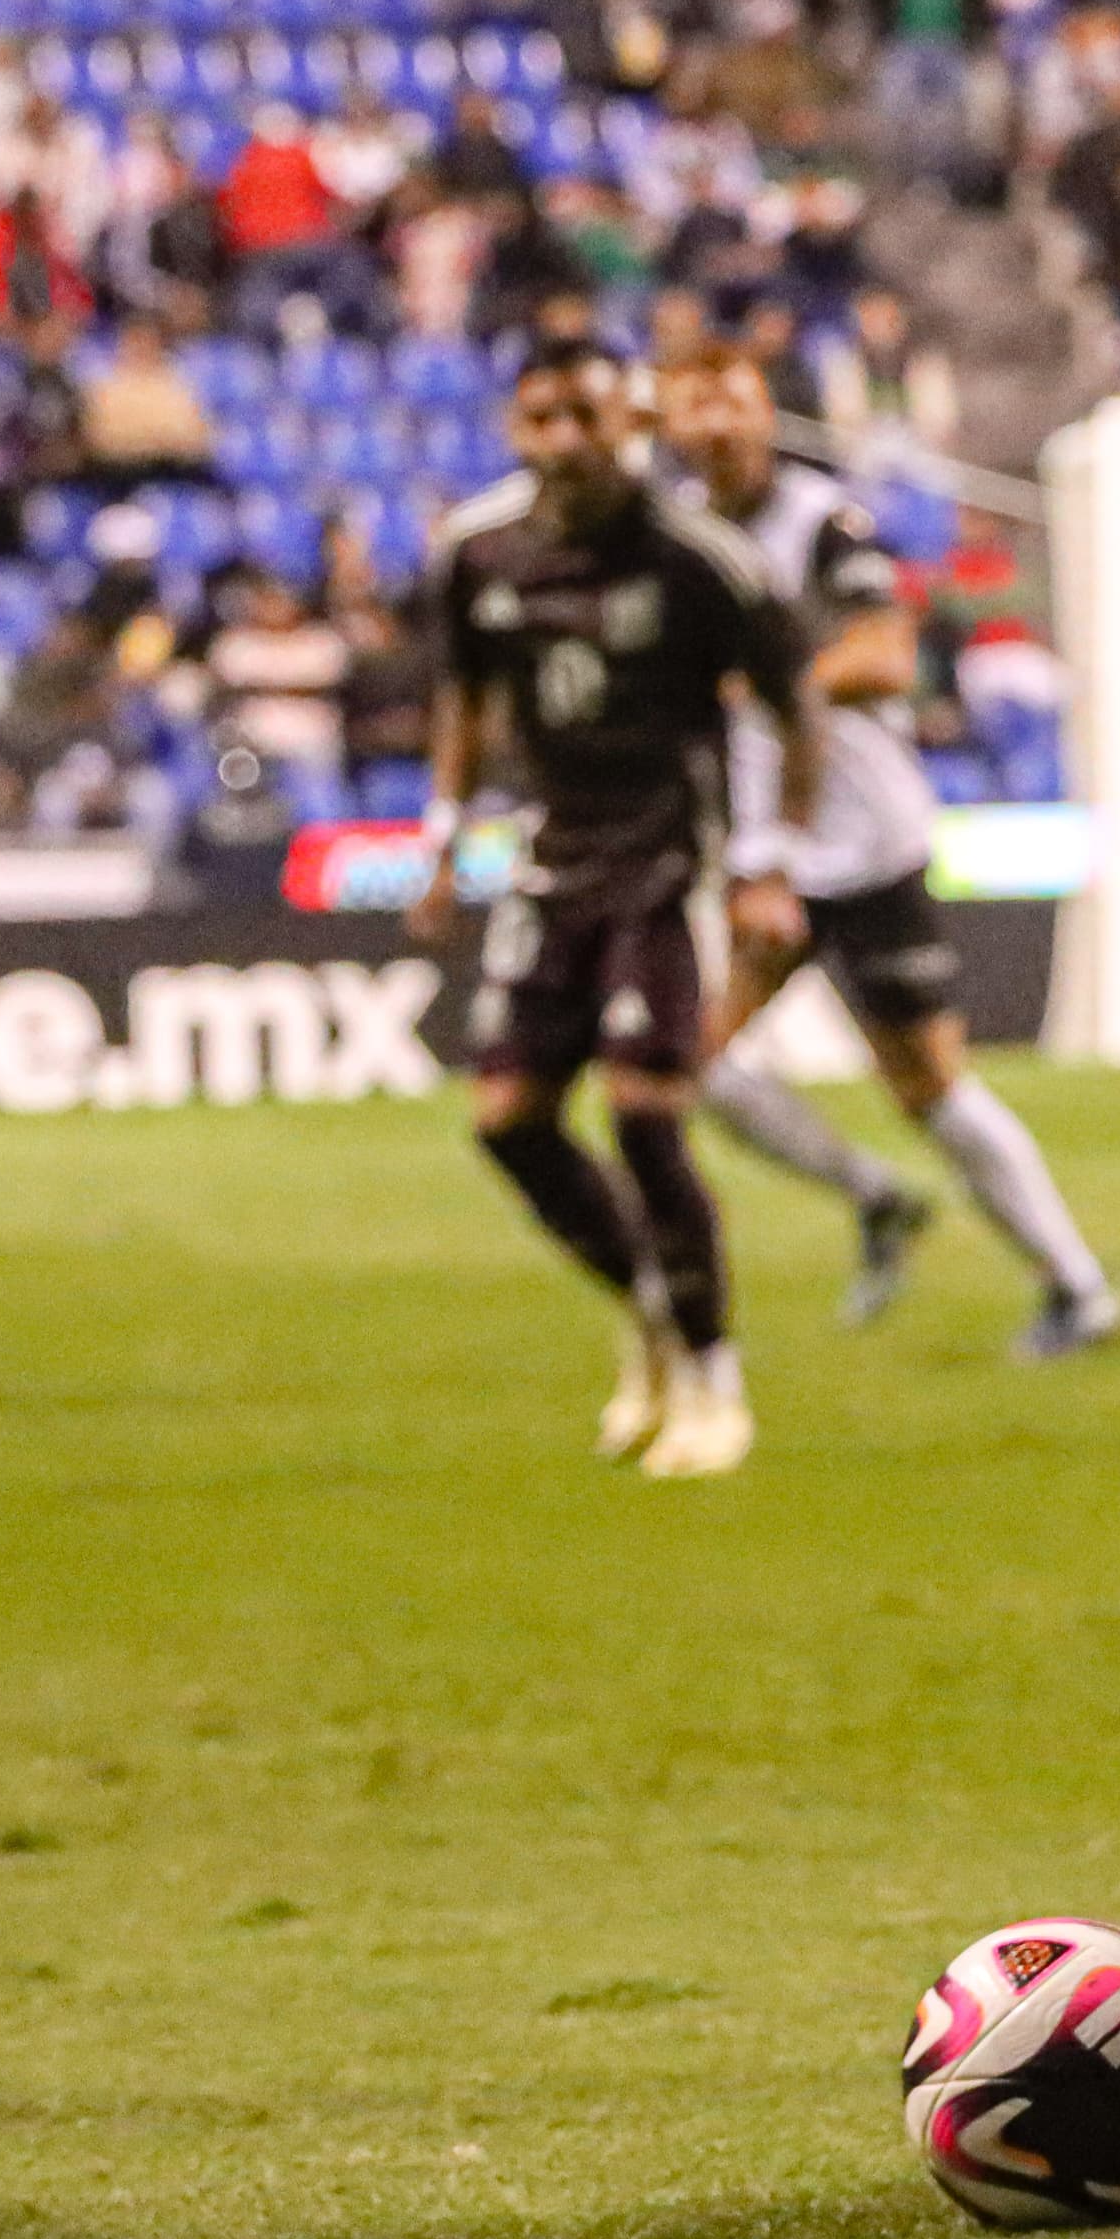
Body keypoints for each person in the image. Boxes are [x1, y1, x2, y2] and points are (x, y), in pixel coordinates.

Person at [661, 341, 1120, 1359]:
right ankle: (875, 1199)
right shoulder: (680, 541)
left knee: (926, 1087)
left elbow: (885, 656)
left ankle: (1077, 1284)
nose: (717, 420)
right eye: (694, 402)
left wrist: (779, 686)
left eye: (732, 397)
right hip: (766, 851)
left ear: (760, 414)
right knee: (693, 1063)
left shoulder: (822, 524)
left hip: (865, 848)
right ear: (670, 423)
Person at [405, 343, 816, 1477]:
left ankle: (713, 1381)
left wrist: (767, 863)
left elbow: (796, 705)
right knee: (508, 1122)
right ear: (515, 427)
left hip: (664, 865)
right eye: (543, 418)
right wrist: (443, 840)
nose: (566, 441)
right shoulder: (476, 551)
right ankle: (648, 1307)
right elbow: (465, 698)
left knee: (645, 1111)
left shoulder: (698, 558)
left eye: (586, 415)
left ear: (628, 422)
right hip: (548, 867)